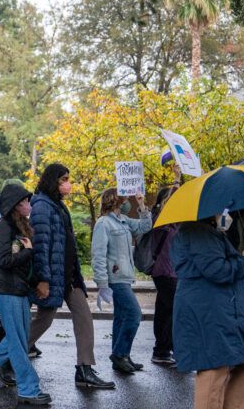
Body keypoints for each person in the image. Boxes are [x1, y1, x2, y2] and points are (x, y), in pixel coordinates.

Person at [27, 163, 115, 389]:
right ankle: (6, 354)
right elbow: (41, 246)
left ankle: (84, 368)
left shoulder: (58, 206)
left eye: (68, 178)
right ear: (52, 180)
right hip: (53, 277)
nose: (68, 183)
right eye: (63, 179)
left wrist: (75, 272)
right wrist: (44, 279)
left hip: (69, 277)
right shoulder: (41, 207)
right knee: (43, 321)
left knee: (84, 316)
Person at [0, 185, 52, 406]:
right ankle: (29, 389)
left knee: (18, 341)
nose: (28, 205)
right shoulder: (5, 227)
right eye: (24, 201)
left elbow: (21, 266)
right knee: (17, 342)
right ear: (14, 205)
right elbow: (3, 261)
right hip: (6, 291)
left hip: (18, 290)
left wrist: (35, 282)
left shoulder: (19, 226)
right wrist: (28, 251)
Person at [170, 214, 244, 409]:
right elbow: (218, 270)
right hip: (209, 310)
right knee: (214, 368)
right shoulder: (198, 231)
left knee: (241, 362)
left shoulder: (203, 231)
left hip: (218, 308)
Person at [91, 189, 151, 374]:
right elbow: (98, 255)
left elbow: (145, 227)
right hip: (115, 279)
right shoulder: (103, 223)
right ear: (115, 201)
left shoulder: (124, 221)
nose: (128, 201)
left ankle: (122, 356)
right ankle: (119, 354)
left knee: (121, 317)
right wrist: (102, 283)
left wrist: (142, 205)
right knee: (134, 314)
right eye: (124, 198)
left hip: (124, 277)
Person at [147, 167, 181, 365]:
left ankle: (163, 349)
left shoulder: (174, 222)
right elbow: (172, 202)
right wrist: (176, 180)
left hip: (171, 271)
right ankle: (168, 349)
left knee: (165, 310)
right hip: (164, 272)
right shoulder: (161, 219)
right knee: (174, 311)